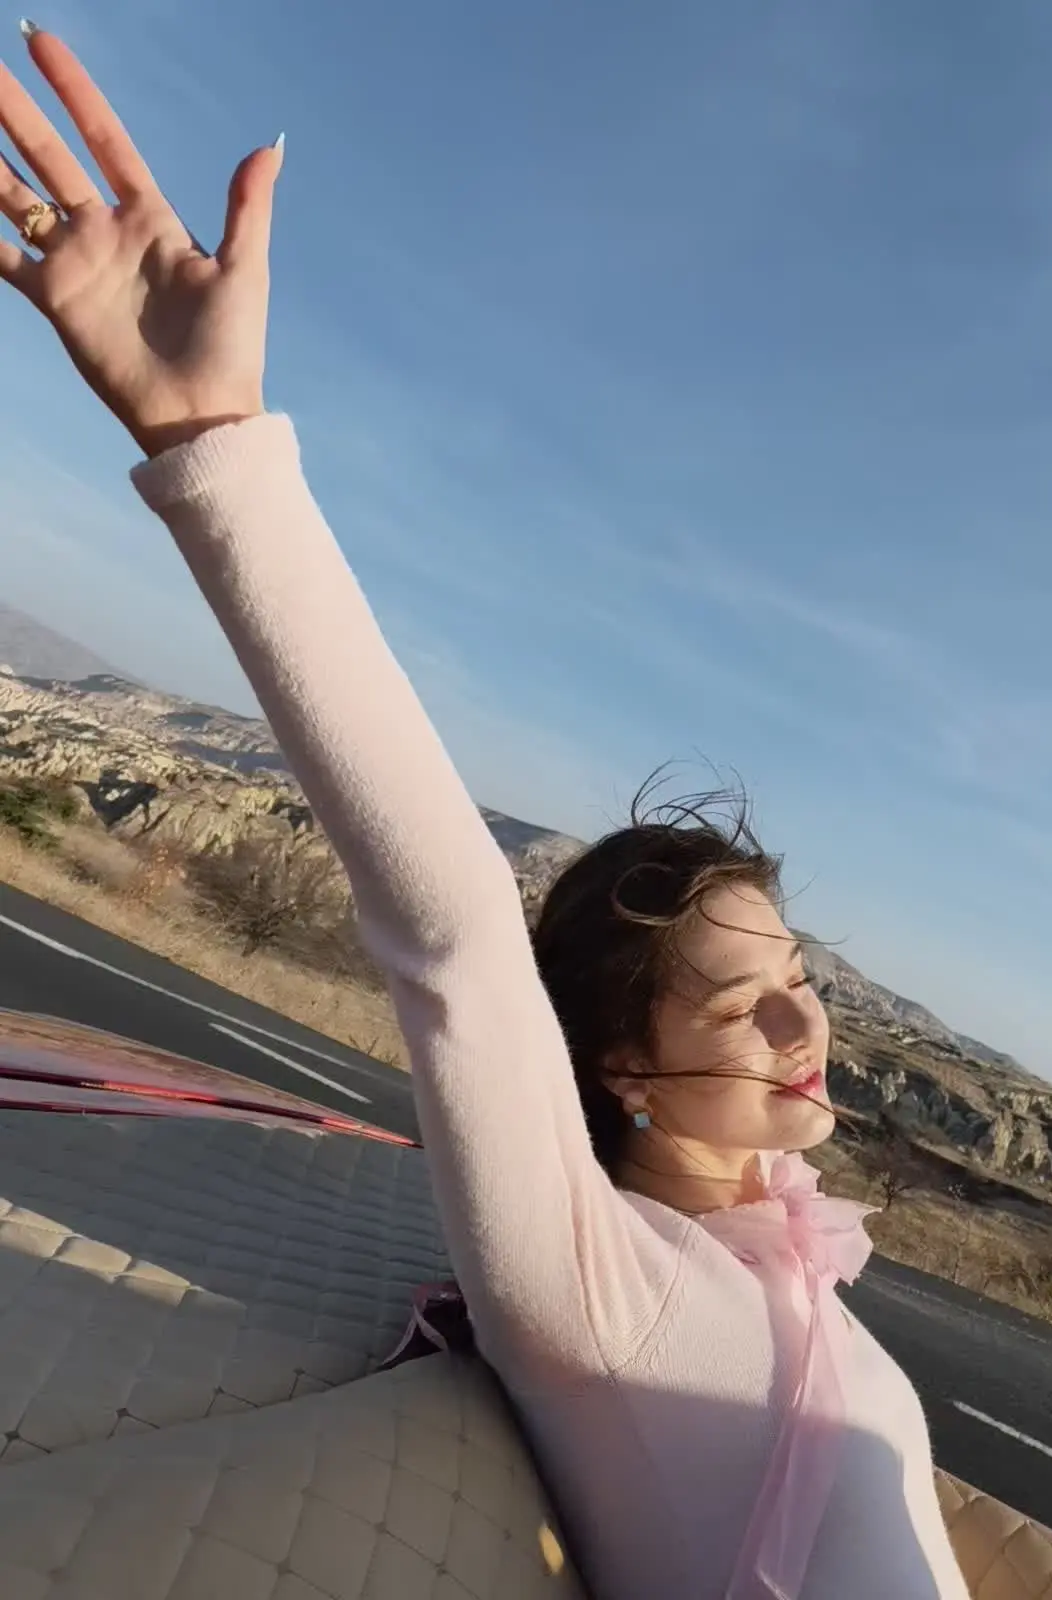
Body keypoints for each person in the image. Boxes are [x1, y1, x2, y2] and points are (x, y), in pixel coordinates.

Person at [0, 28, 970, 1600]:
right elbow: (453, 931)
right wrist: (212, 448)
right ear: (619, 1068)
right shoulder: (602, 1288)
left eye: (800, 981)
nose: (808, 1026)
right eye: (745, 1003)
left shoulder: (784, 1272)